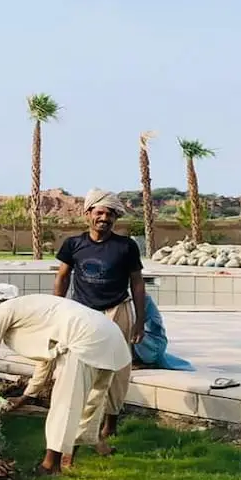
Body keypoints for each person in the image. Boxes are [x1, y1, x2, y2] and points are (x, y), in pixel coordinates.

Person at [0, 285, 131, 475]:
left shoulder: (2, 311)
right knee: (90, 403)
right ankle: (68, 457)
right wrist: (27, 396)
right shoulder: (33, 308)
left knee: (65, 404)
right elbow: (45, 358)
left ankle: (50, 466)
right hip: (112, 337)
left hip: (83, 339)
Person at [54, 188, 145, 452]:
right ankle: (79, 424)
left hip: (117, 310)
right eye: (100, 212)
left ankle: (111, 421)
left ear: (116, 218)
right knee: (81, 366)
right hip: (84, 313)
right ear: (88, 215)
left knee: (118, 368)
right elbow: (62, 277)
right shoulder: (74, 244)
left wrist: (139, 322)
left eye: (110, 214)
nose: (104, 218)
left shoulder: (125, 246)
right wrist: (58, 310)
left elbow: (137, 284)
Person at [133, 276, 193, 370]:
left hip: (153, 347)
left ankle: (145, 362)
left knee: (127, 327)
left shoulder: (141, 297)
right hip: (143, 346)